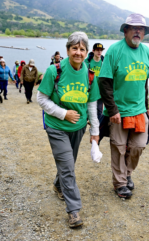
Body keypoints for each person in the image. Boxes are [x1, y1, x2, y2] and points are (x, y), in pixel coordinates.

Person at [37, 32, 100, 228]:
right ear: (67, 50)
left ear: (86, 52)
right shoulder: (54, 71)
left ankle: (58, 185)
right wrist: (63, 114)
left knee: (68, 163)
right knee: (68, 166)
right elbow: (41, 99)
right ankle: (74, 210)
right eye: (74, 48)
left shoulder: (90, 75)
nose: (78, 53)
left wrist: (94, 132)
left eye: (82, 49)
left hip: (79, 128)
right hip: (56, 126)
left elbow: (91, 105)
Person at [99, 14, 149, 199]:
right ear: (126, 31)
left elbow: (144, 82)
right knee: (119, 147)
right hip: (118, 111)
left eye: (141, 29)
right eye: (134, 28)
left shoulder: (146, 52)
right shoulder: (115, 50)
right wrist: (112, 109)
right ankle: (120, 183)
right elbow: (104, 81)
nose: (138, 31)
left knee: (138, 146)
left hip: (139, 110)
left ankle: (127, 173)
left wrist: (146, 106)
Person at [85, 43, 105, 120]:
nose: (99, 52)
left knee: (99, 110)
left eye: (101, 50)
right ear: (93, 51)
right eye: (97, 50)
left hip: (100, 91)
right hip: (90, 90)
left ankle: (98, 128)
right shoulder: (87, 62)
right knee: (88, 109)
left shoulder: (104, 62)